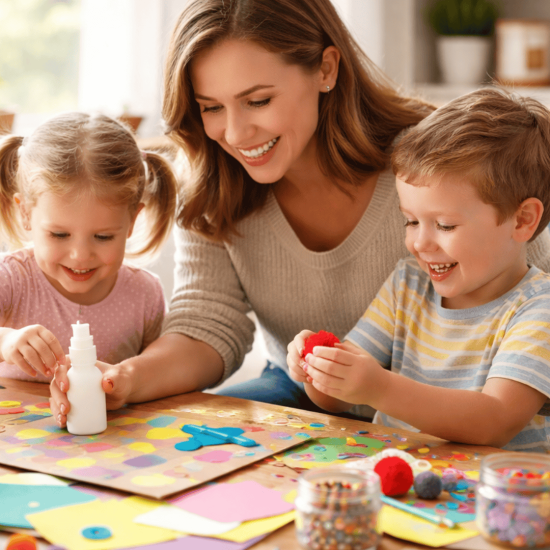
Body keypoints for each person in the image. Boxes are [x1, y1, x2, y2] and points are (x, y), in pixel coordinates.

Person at [50, 0, 550, 426]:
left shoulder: (432, 163)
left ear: (326, 69)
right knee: (192, 439)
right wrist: (124, 379)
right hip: (304, 392)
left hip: (458, 397)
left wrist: (381, 390)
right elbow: (207, 323)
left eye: (258, 100)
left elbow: (526, 284)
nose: (236, 133)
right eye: (211, 107)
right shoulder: (211, 183)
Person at [287, 88, 550, 452]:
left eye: (444, 225)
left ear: (522, 220)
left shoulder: (538, 308)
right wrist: (319, 370)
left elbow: (494, 422)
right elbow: (338, 397)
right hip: (400, 479)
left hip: (495, 498)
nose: (419, 244)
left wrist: (378, 387)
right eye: (411, 221)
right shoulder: (407, 284)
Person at [0, 112, 178, 388]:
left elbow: (163, 373)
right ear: (25, 213)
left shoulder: (144, 294)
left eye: (103, 236)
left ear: (131, 221)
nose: (80, 255)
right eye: (59, 234)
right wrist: (5, 341)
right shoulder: (11, 279)